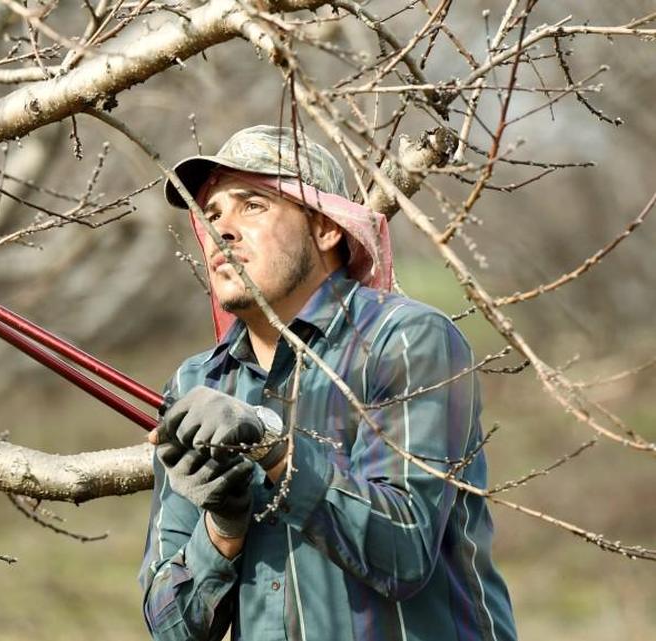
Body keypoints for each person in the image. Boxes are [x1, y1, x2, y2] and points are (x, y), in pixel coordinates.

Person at [139, 126, 517, 641]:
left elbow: (404, 551)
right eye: (211, 213)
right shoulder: (196, 383)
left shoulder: (406, 341)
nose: (222, 229)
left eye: (252, 205)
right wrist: (222, 529)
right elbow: (172, 627)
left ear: (325, 229)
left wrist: (273, 450)